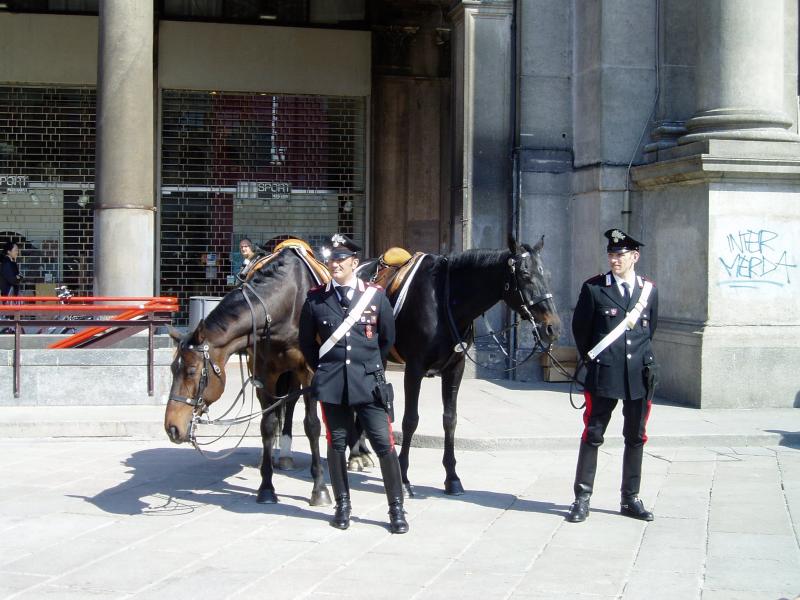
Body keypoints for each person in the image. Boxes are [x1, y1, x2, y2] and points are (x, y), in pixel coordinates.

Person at [299, 233, 408, 534]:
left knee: (384, 445)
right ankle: (342, 506)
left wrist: (367, 365)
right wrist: (324, 370)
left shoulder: (374, 296)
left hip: (369, 384)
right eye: (331, 258)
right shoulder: (316, 298)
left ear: (354, 263)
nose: (334, 264)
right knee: (336, 445)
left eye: (340, 259)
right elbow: (306, 343)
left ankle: (396, 509)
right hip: (333, 385)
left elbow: (386, 339)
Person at [566, 228, 659, 523]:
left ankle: (630, 498)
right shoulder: (594, 288)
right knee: (593, 434)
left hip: (639, 375)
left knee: (635, 436)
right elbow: (581, 331)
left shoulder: (648, 290)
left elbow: (649, 329)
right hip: (604, 374)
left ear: (635, 256)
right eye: (611, 254)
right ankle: (582, 498)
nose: (614, 260)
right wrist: (597, 362)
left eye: (620, 255)